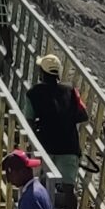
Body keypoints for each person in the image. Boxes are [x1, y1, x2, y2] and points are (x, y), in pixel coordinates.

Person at [27, 53, 88, 188]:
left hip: (45, 145)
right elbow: (83, 115)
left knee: (41, 185)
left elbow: (29, 121)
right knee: (68, 189)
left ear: (42, 72)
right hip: (69, 146)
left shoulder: (33, 93)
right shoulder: (70, 91)